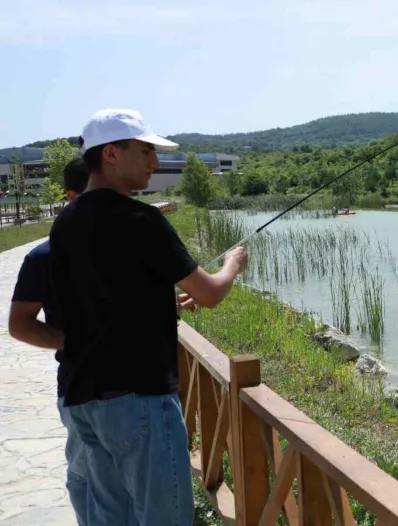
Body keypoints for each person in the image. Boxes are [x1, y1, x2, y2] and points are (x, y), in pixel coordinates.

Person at [49, 108, 249, 525]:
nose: (154, 163)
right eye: (145, 151)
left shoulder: (65, 222)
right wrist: (231, 263)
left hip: (83, 399)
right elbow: (210, 294)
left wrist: (162, 303)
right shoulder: (141, 220)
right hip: (139, 397)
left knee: (111, 516)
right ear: (110, 154)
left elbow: (103, 298)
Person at [9, 158, 93, 524]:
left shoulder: (132, 248)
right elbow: (21, 325)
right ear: (72, 197)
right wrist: (74, 342)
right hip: (79, 389)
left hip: (142, 392)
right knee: (85, 475)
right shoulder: (42, 256)